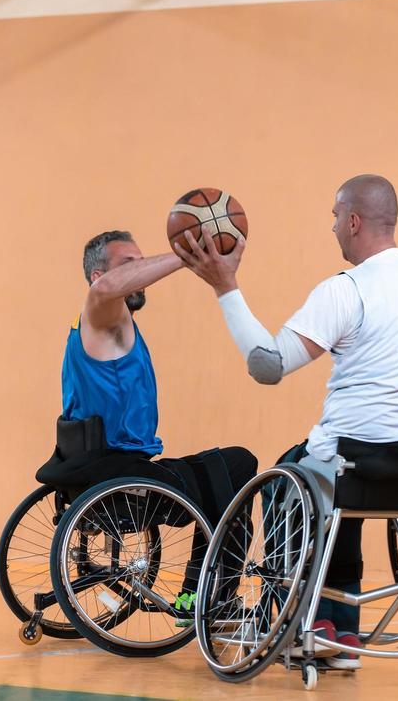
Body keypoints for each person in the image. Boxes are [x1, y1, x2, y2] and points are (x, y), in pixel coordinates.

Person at [174, 175, 398, 669]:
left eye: (335, 217)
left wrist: (226, 288)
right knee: (337, 475)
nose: (332, 227)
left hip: (353, 461)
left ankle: (304, 625)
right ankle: (343, 634)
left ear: (353, 221)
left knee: (291, 475)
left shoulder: (347, 289)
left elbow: (268, 366)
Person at [41, 229, 258, 613]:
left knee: (221, 469)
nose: (142, 270)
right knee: (238, 465)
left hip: (108, 471)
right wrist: (188, 255)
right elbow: (108, 287)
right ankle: (207, 598)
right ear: (99, 277)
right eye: (132, 264)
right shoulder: (100, 310)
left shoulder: (114, 325)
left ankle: (205, 593)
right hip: (120, 478)